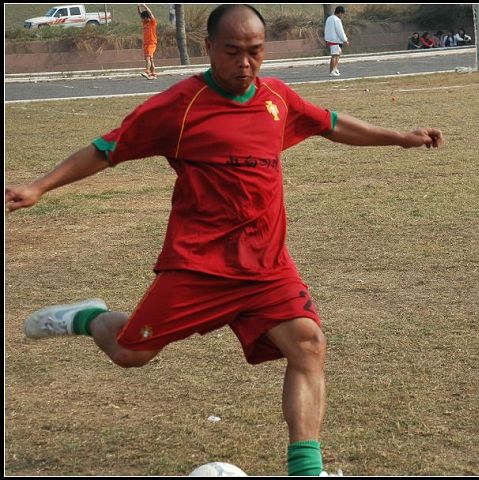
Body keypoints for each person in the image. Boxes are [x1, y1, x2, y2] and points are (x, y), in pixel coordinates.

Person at [5, 4, 443, 477]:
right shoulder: (179, 106)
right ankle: (87, 317)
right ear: (209, 47)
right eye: (232, 52)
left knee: (308, 344)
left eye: (255, 51)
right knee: (131, 353)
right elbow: (105, 150)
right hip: (201, 266)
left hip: (266, 265)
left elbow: (332, 123)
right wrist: (39, 187)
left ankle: (306, 471)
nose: (245, 63)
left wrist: (400, 137)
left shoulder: (276, 98)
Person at [324, 6, 349, 77]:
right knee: (335, 55)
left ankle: (335, 69)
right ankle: (332, 71)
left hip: (330, 39)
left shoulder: (329, 18)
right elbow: (340, 31)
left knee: (338, 53)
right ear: (340, 13)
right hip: (335, 40)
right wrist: (345, 39)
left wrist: (327, 38)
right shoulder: (337, 20)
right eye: (342, 14)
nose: (343, 16)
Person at [137, 3, 158, 79]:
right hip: (146, 44)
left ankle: (147, 71)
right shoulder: (144, 23)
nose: (142, 19)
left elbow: (150, 13)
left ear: (147, 17)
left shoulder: (153, 22)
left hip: (151, 43)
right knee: (151, 59)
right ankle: (153, 73)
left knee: (147, 58)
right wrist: (138, 7)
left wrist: (144, 6)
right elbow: (140, 14)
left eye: (144, 18)